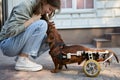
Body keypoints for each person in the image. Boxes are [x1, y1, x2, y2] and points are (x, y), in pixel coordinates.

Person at [0, 0, 61, 71]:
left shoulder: (40, 10)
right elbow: (10, 32)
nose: (49, 12)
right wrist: (32, 20)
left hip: (16, 43)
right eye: (49, 9)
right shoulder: (24, 6)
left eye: (52, 11)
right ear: (44, 2)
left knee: (50, 38)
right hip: (7, 44)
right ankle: (23, 60)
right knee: (42, 24)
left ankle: (21, 58)